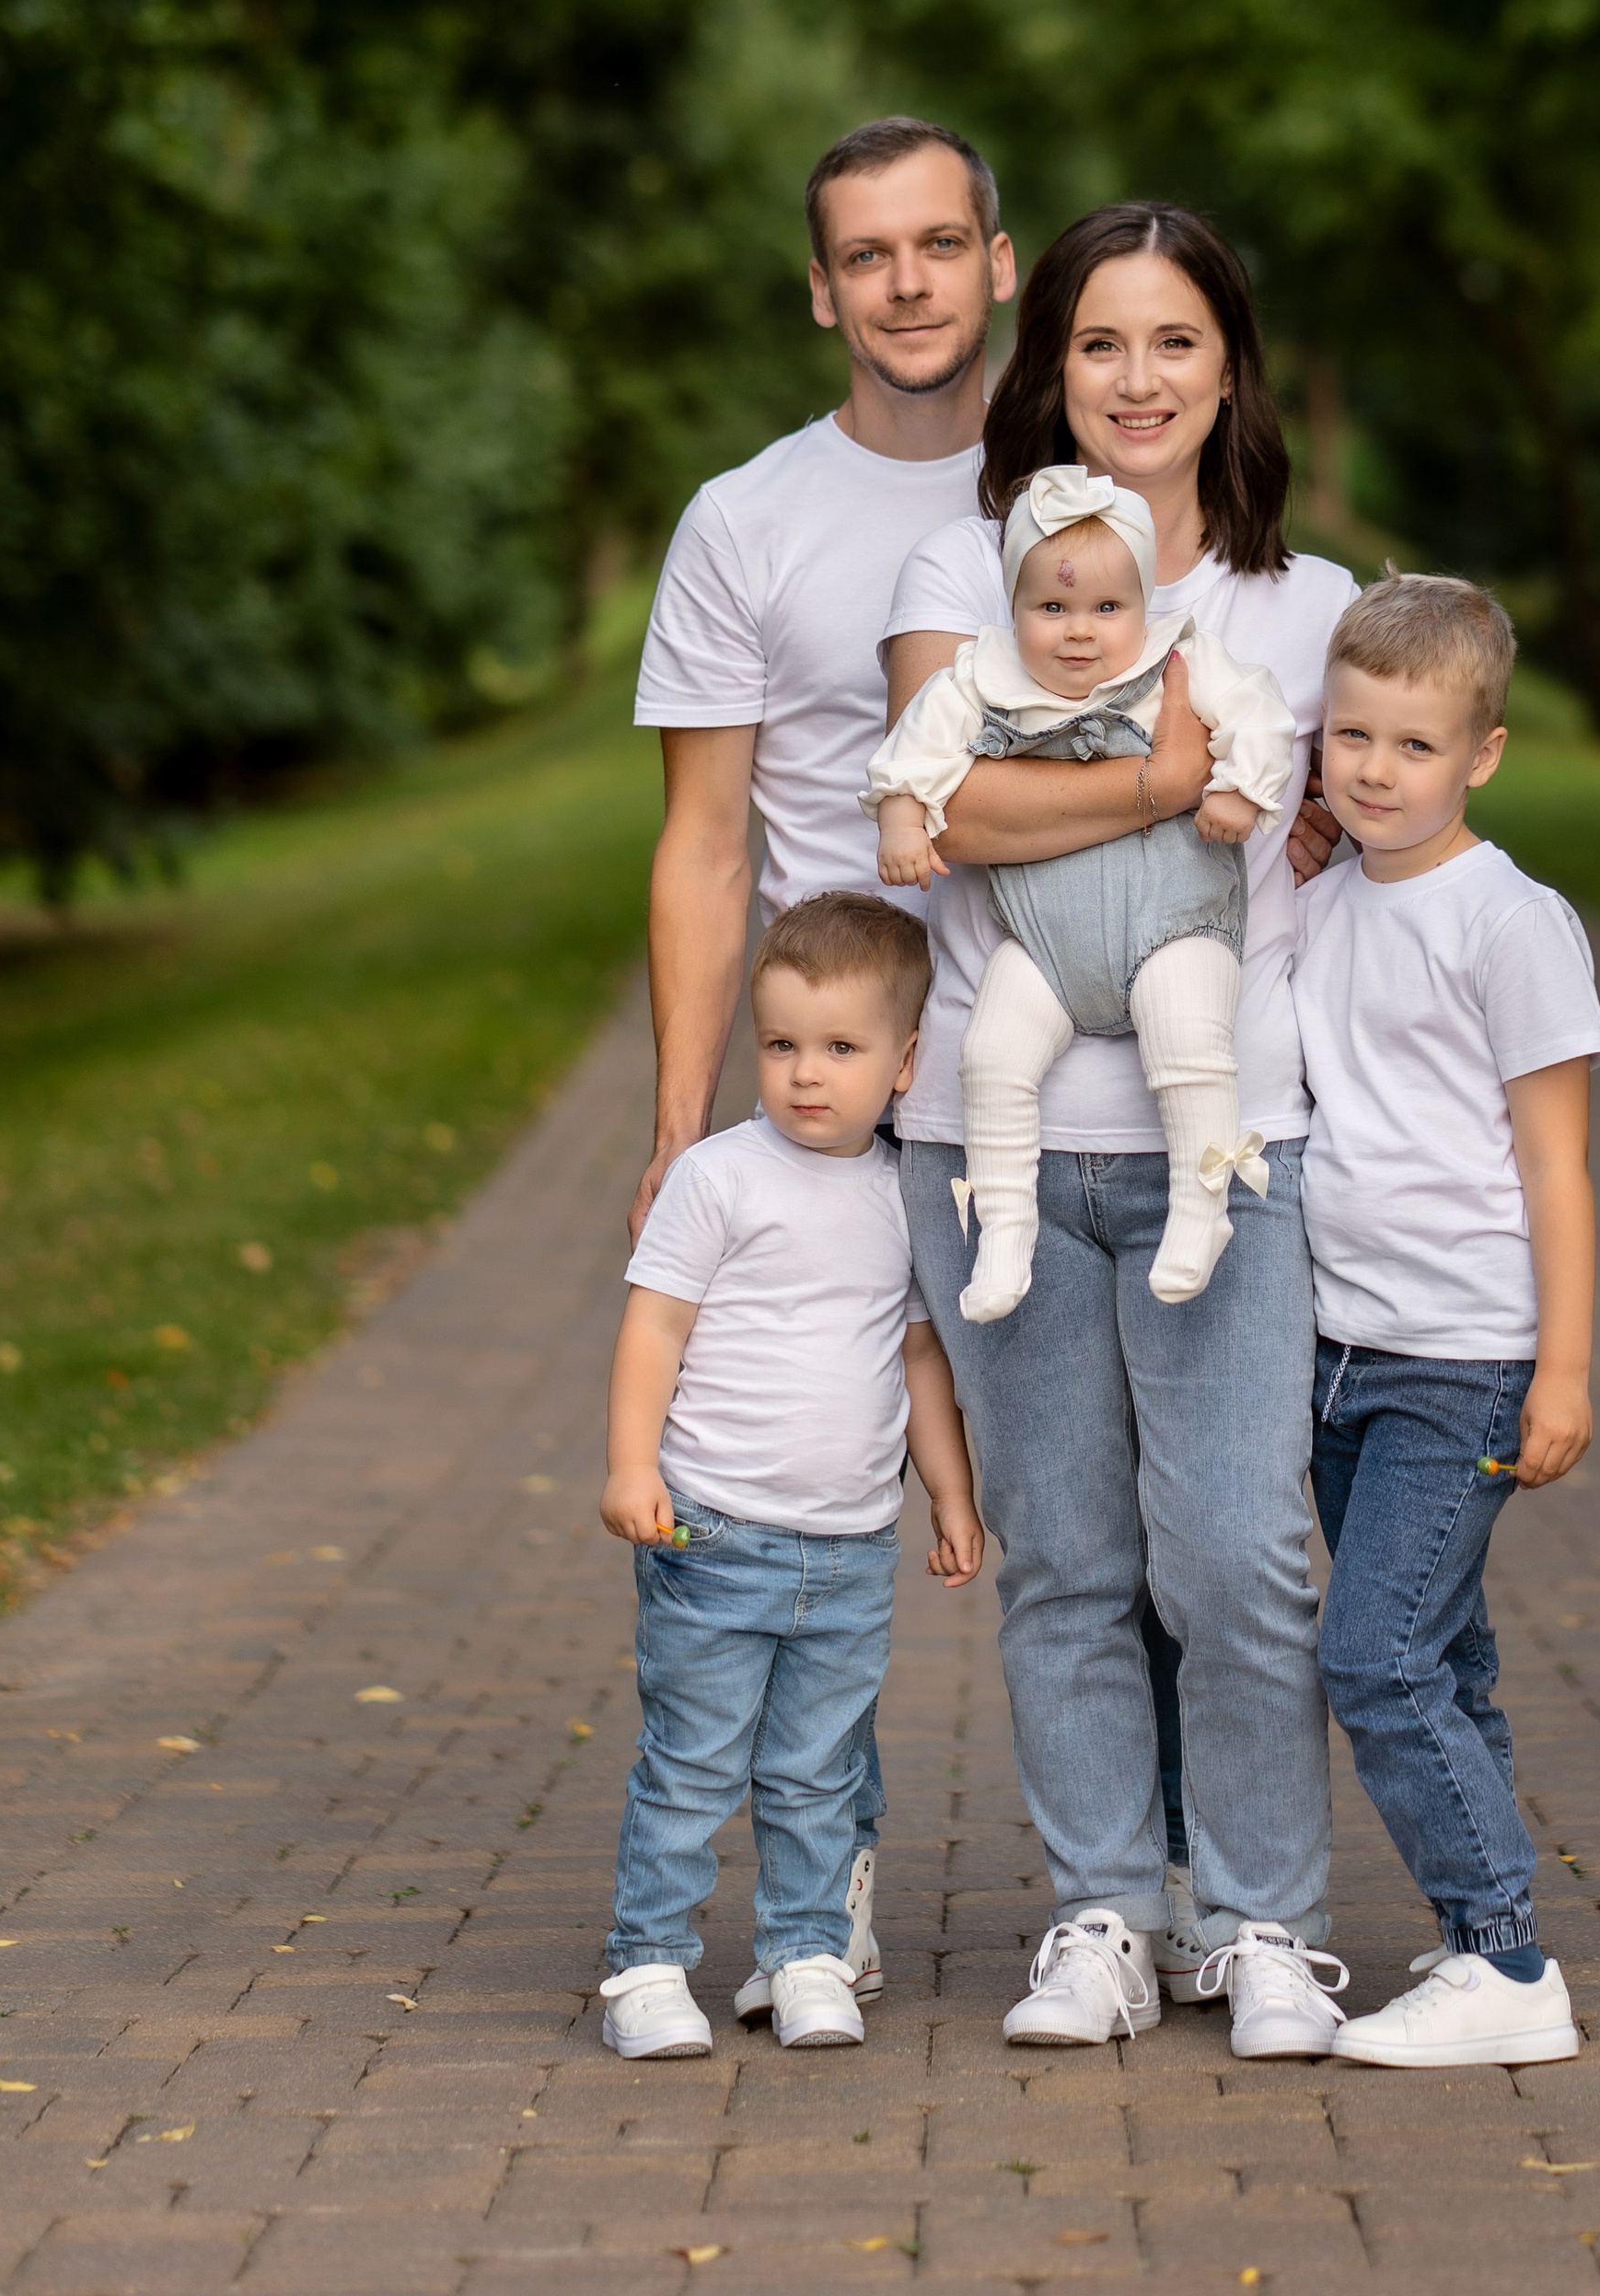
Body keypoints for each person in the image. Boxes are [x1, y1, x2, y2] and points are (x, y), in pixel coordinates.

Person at [883, 203, 1356, 2061]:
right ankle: (1101, 1906)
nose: (1136, 381)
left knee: (1239, 1552)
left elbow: (1347, 813)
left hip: (1223, 1136)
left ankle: (1262, 1925)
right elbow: (946, 808)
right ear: (1046, 363)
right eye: (1098, 344)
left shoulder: (1296, 605)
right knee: (1067, 1560)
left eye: (1172, 343)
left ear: (1228, 361)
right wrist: (1167, 785)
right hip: (986, 1134)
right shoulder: (961, 559)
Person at [631, 112, 1013, 1993]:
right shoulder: (746, 520)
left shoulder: (1078, 492)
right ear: (819, 291)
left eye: (940, 243)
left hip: (1056, 1093)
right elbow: (705, 844)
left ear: (999, 262)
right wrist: (672, 1119)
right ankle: (823, 1903)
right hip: (843, 1125)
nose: (909, 282)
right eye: (869, 255)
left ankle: (1175, 1884)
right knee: (801, 1527)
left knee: (1118, 1515)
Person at [1293, 574, 1600, 2070]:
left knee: (1377, 1659)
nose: (1373, 769)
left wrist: (1562, 1368)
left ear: (1480, 752)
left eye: (1412, 746)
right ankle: (1478, 1927)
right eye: (1349, 735)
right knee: (1448, 1653)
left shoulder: (1510, 920)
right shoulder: (1315, 907)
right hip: (1334, 1352)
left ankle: (1508, 1964)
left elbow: (1557, 1162)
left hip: (1463, 1360)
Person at [596, 894, 981, 2062]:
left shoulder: (904, 1197)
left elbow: (918, 1355)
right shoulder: (720, 1178)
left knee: (818, 1771)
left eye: (839, 1049)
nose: (805, 1074)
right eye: (779, 1046)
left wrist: (951, 1494)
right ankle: (648, 1966)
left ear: (905, 1061)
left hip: (852, 1548)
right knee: (694, 1763)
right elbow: (654, 1327)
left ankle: (807, 1952)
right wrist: (630, 1463)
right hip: (714, 1531)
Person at [868, 462, 1293, 1317]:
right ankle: (1006, 1232)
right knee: (991, 1056)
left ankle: (1200, 1209)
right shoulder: (981, 673)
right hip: (1047, 946)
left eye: (1108, 608)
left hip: (1174, 923)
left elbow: (1260, 714)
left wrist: (1241, 787)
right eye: (1051, 609)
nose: (1079, 633)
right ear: (1013, 607)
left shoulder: (1181, 654)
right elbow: (917, 748)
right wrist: (903, 820)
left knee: (1189, 1040)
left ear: (1143, 601)